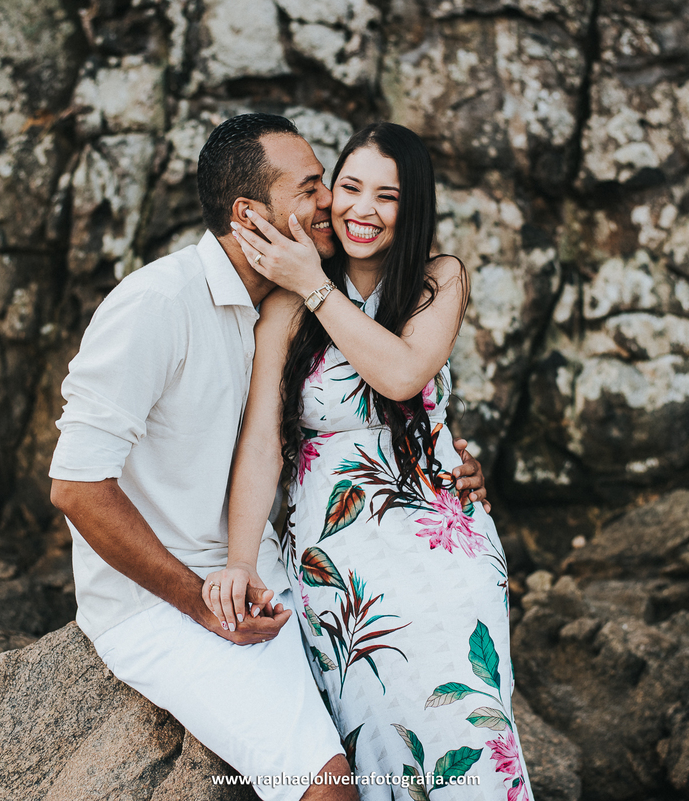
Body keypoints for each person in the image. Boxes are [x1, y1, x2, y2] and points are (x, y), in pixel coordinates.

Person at [48, 113, 488, 801]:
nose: (332, 206)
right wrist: (200, 600)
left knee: (411, 742)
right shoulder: (156, 305)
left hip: (276, 572)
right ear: (249, 214)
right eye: (315, 188)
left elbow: (361, 407)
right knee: (332, 787)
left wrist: (449, 456)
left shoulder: (289, 300)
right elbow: (76, 488)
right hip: (173, 599)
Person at [203, 122, 534, 801]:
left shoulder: (437, 280)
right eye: (348, 186)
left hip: (445, 549)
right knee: (381, 736)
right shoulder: (287, 304)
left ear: (412, 208)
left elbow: (405, 374)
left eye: (387, 195)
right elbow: (263, 441)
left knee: (465, 724)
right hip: (342, 558)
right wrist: (239, 560)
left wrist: (316, 288)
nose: (361, 208)